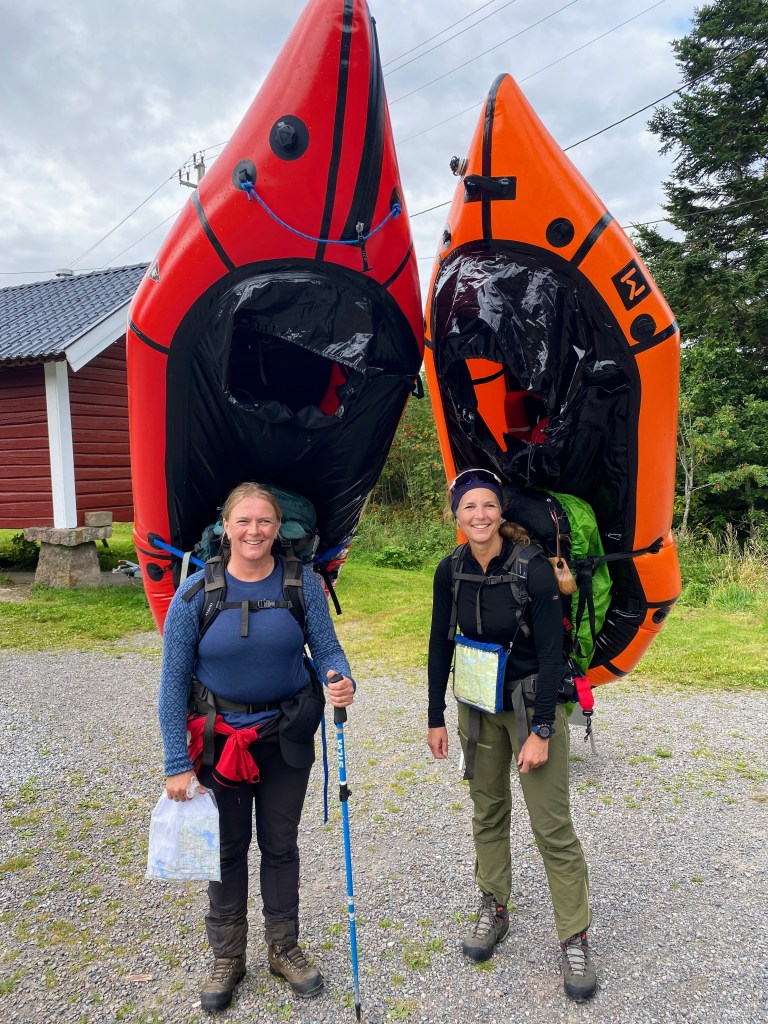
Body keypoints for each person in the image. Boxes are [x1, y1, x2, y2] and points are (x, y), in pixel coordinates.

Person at [158, 482, 355, 1013]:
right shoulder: (195, 594)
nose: (254, 531)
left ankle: (283, 947)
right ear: (225, 527)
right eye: (243, 521)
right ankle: (228, 956)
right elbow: (171, 686)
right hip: (219, 741)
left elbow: (328, 648)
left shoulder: (302, 583)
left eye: (264, 521)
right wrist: (176, 763)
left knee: (280, 844)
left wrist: (341, 678)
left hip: (284, 734)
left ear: (278, 528)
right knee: (225, 849)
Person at [426, 468, 597, 1001]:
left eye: (487, 505)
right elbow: (439, 643)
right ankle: (493, 906)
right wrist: (435, 716)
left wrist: (542, 729)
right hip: (476, 705)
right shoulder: (450, 569)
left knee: (551, 825)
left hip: (528, 705)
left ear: (501, 511)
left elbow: (551, 655)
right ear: (456, 514)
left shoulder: (532, 569)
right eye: (468, 506)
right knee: (487, 810)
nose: (479, 515)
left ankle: (574, 936)